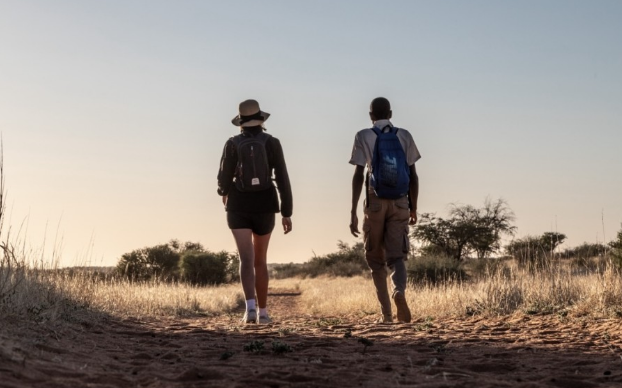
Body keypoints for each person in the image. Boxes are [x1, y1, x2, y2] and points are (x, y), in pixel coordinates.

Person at [217, 99, 293, 324]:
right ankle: (263, 312)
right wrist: (286, 211)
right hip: (265, 205)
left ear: (240, 122)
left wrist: (224, 191)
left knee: (245, 259)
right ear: (261, 120)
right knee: (261, 260)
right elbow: (282, 177)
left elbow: (223, 176)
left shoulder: (232, 143)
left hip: (238, 204)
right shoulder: (272, 142)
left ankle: (249, 309)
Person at [349, 97, 421, 323]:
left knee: (376, 260)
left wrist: (353, 211)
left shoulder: (363, 135)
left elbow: (358, 175)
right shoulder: (405, 135)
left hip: (375, 200)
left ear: (371, 115)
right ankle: (399, 290)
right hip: (400, 200)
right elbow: (413, 175)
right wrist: (413, 207)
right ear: (390, 113)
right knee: (397, 256)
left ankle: (387, 315)